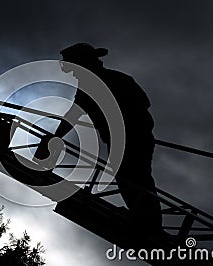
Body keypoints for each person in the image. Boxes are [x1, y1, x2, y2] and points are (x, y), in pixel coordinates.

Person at [35, 43, 162, 232]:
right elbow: (74, 115)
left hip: (133, 139)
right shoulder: (96, 85)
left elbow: (142, 104)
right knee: (129, 178)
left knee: (135, 178)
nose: (74, 74)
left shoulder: (109, 82)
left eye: (74, 68)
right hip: (125, 139)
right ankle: (145, 220)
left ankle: (149, 224)